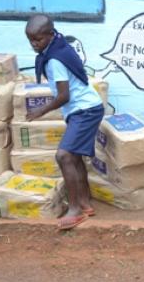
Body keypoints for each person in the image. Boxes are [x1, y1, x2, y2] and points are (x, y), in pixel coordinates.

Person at [25, 14, 105, 230]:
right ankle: (85, 204)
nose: (34, 44)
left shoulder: (54, 60)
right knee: (74, 156)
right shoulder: (58, 46)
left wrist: (39, 110)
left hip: (85, 111)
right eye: (30, 40)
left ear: (50, 34)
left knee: (63, 156)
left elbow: (63, 96)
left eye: (38, 39)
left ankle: (75, 210)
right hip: (85, 109)